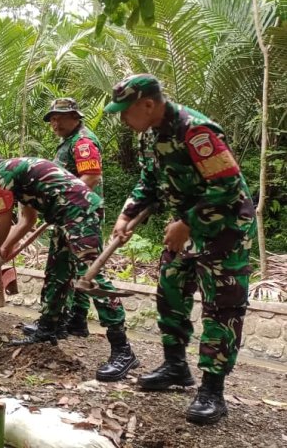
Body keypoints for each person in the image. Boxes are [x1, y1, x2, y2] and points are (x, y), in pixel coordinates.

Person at [104, 74, 255, 425]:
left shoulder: (196, 131)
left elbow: (227, 186)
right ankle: (175, 367)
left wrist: (186, 222)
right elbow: (149, 181)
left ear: (148, 104)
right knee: (170, 292)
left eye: (126, 111)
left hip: (224, 228)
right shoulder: (150, 135)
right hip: (185, 229)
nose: (123, 118)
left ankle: (212, 391)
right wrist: (126, 214)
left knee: (222, 308)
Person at [0, 149, 137, 382]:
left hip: (78, 212)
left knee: (91, 275)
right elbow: (28, 220)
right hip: (64, 215)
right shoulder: (16, 173)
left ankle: (122, 349)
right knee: (57, 272)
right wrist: (3, 250)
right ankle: (47, 330)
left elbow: (3, 223)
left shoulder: (2, 175)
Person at [23, 98, 103, 339]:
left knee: (59, 268)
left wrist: (62, 205)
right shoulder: (68, 142)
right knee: (75, 267)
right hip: (72, 213)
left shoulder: (82, 141)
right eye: (52, 120)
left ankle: (51, 324)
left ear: (75, 117)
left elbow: (91, 177)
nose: (55, 124)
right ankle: (76, 320)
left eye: (59, 118)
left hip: (77, 215)